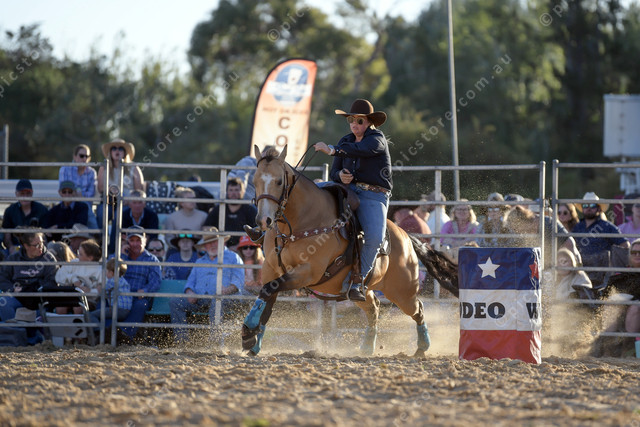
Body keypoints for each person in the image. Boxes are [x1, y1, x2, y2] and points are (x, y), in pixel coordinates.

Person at [312, 98, 391, 301]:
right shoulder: (346, 141)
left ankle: (358, 281)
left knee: (375, 238)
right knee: (312, 191)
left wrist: (332, 150)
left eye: (359, 121)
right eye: (351, 120)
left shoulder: (377, 139)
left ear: (369, 122)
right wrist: (340, 176)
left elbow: (363, 149)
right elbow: (335, 172)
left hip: (374, 195)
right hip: (348, 190)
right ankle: (273, 231)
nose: (354, 124)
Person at [168, 226, 244, 344]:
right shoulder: (199, 262)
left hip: (226, 298)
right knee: (175, 302)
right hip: (201, 299)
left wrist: (227, 290)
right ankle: (182, 342)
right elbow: (190, 282)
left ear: (221, 242)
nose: (212, 245)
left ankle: (215, 342)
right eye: (209, 243)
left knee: (217, 301)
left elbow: (238, 281)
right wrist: (190, 292)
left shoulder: (233, 257)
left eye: (215, 241)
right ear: (204, 246)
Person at [572, 192, 629, 287]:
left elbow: (625, 245)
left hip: (602, 275)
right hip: (580, 273)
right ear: (582, 208)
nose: (588, 208)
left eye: (592, 205)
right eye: (585, 205)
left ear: (599, 208)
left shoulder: (607, 226)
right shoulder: (577, 227)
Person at [0, 230, 58, 320]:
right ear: (26, 246)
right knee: (2, 303)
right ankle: (14, 327)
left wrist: (36, 289)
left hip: (39, 298)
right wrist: (12, 289)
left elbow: (52, 281)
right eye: (36, 245)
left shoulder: (48, 258)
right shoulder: (14, 258)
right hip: (18, 296)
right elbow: (2, 278)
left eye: (42, 243)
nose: (41, 247)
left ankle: (34, 328)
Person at [118, 225, 161, 340]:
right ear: (127, 242)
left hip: (138, 296)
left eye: (138, 240)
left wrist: (145, 290)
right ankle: (104, 332)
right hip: (120, 293)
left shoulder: (152, 259)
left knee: (141, 305)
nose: (135, 244)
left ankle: (124, 334)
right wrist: (122, 256)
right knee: (106, 302)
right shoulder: (119, 256)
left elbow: (156, 281)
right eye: (132, 240)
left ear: (145, 241)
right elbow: (110, 273)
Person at [96, 138, 144, 228]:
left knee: (119, 217)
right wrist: (110, 189)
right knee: (102, 214)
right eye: (114, 148)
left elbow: (139, 190)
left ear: (125, 152)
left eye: (121, 149)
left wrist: (130, 200)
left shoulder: (134, 167)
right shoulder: (104, 167)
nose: (117, 151)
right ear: (110, 152)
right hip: (109, 201)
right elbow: (100, 188)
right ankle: (100, 237)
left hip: (127, 203)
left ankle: (114, 238)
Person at [204, 177, 257, 250]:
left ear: (243, 191)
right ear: (227, 191)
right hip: (220, 249)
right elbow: (206, 228)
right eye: (231, 190)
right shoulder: (218, 209)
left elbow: (256, 231)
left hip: (245, 249)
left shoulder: (250, 210)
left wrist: (239, 246)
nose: (233, 193)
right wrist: (219, 241)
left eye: (236, 190)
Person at [55, 240, 103, 313]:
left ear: (90, 258)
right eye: (78, 252)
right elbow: (59, 277)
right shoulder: (74, 262)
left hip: (89, 300)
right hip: (70, 296)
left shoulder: (100, 270)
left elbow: (100, 291)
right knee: (60, 307)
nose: (77, 255)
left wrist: (87, 291)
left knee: (78, 307)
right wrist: (74, 280)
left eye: (80, 254)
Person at [2, 179, 48, 254]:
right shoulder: (10, 211)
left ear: (32, 193)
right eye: (22, 193)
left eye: (28, 193)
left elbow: (45, 235)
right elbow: (7, 236)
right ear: (16, 194)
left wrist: (38, 248)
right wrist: (11, 247)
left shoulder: (41, 210)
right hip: (16, 248)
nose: (25, 196)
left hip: (36, 248)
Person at [58, 143, 98, 229]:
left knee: (84, 206)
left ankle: (96, 234)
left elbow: (91, 193)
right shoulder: (65, 169)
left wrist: (76, 194)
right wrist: (79, 195)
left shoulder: (92, 172)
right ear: (74, 157)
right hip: (67, 203)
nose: (84, 159)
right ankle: (96, 233)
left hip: (84, 206)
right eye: (81, 156)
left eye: (87, 156)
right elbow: (63, 191)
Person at [109, 189, 159, 254]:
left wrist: (130, 239)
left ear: (145, 204)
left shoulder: (152, 216)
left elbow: (152, 237)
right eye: (134, 202)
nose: (137, 205)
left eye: (140, 202)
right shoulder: (122, 216)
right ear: (129, 204)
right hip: (126, 247)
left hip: (146, 250)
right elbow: (118, 237)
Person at [89, 258, 132, 329]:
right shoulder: (123, 280)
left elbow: (101, 292)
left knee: (91, 315)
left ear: (111, 273)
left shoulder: (112, 281)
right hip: (126, 310)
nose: (105, 273)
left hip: (117, 309)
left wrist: (96, 285)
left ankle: (99, 332)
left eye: (106, 271)